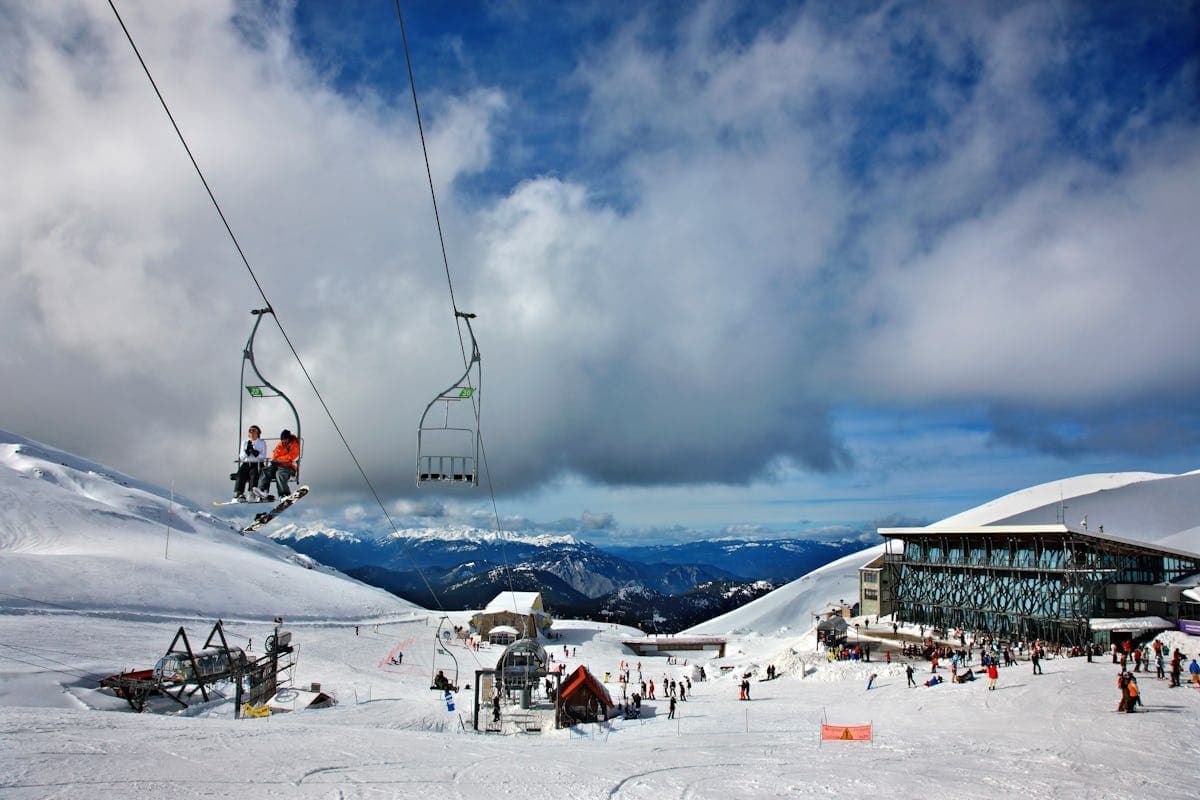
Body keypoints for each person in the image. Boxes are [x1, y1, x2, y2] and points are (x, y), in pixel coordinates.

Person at [254, 429, 300, 500]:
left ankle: (284, 494)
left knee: (280, 473)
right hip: (278, 465)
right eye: (282, 440)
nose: (284, 441)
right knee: (266, 471)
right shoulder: (280, 444)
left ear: (288, 439)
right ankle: (263, 491)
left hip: (290, 467)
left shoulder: (294, 444)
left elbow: (291, 456)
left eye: (285, 440)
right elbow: (275, 454)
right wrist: (275, 460)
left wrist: (279, 459)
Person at [231, 425, 267, 501]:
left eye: (254, 431)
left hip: (257, 463)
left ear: (258, 433)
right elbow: (241, 456)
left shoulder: (261, 442)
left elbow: (263, 456)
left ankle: (251, 493)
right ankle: (239, 492)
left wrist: (255, 453)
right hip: (246, 463)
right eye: (250, 431)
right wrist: (247, 452)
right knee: (240, 473)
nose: (252, 433)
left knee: (254, 474)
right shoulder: (245, 442)